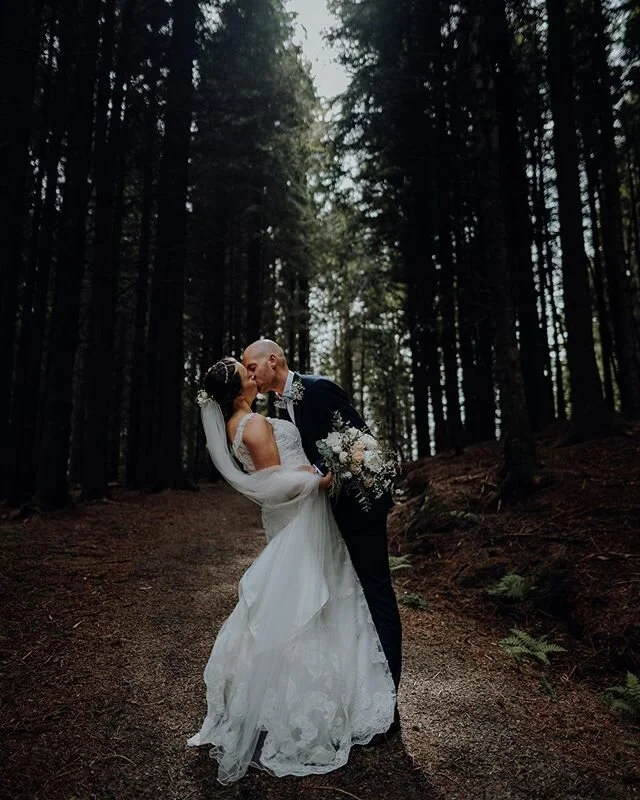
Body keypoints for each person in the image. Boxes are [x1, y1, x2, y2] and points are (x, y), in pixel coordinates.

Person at [187, 357, 396, 784]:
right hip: (299, 518)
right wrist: (317, 480)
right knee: (308, 600)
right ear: (238, 389)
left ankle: (302, 695)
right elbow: (273, 484)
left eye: (251, 367)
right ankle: (304, 703)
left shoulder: (237, 424)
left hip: (297, 518)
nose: (252, 375)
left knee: (307, 596)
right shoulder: (254, 425)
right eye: (245, 372)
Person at [242, 340, 403, 693]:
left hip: (361, 507)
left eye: (252, 367)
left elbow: (360, 441)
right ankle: (361, 687)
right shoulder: (283, 406)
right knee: (349, 598)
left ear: (272, 360)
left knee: (376, 593)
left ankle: (388, 696)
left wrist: (317, 470)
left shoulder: (318, 388)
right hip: (329, 513)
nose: (250, 376)